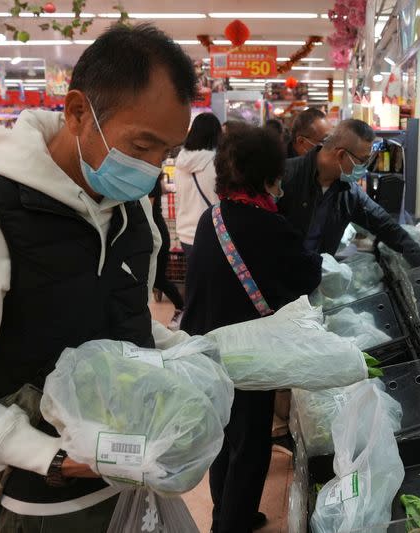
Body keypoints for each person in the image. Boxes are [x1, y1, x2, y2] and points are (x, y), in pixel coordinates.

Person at [0, 24, 196, 530]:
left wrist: (193, 362)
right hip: (42, 509)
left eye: (166, 152)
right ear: (79, 112)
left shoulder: (135, 217)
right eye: (142, 144)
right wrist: (53, 457)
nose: (153, 170)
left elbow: (126, 323)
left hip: (136, 489)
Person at [181, 124, 322, 533]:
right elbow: (305, 275)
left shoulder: (214, 218)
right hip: (249, 354)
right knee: (251, 442)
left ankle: (224, 514)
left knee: (224, 438)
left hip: (206, 347)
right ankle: (233, 524)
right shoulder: (269, 226)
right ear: (267, 175)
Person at [280, 118, 420, 267]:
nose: (364, 168)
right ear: (341, 155)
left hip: (313, 278)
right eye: (362, 160)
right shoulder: (284, 176)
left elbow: (386, 226)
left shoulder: (349, 192)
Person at [174, 112, 221, 261]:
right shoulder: (217, 163)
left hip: (185, 233)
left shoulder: (180, 162)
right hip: (212, 233)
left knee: (195, 279)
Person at [149, 175, 186, 327]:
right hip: (158, 232)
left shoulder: (150, 183)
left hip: (156, 234)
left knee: (158, 279)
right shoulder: (155, 181)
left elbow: (148, 213)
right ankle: (182, 307)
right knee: (157, 279)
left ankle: (182, 307)